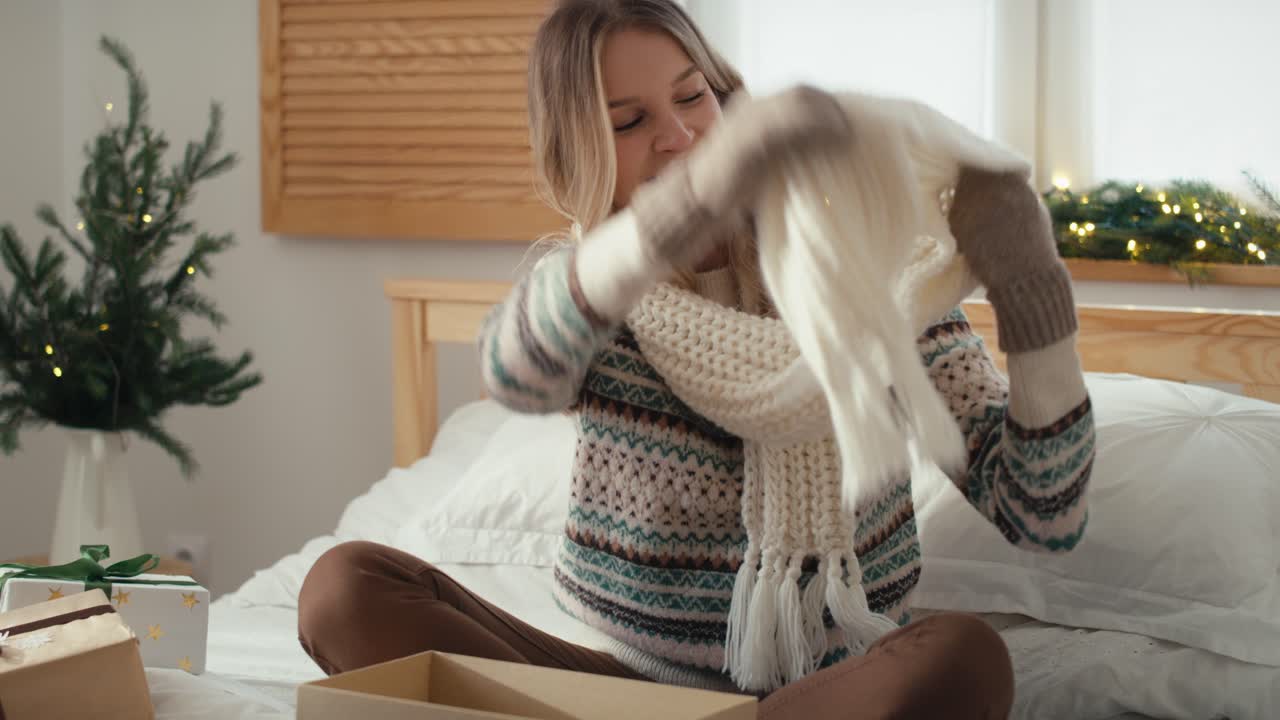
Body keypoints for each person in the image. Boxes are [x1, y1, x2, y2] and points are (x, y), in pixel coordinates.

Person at [297, 1, 1095, 717]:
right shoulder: (590, 291)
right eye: (628, 121)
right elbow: (516, 371)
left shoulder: (871, 270)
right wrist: (680, 210)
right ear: (579, 153)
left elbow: (1041, 512)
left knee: (962, 656)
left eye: (691, 97)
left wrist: (1033, 292)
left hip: (829, 691)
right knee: (344, 590)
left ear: (727, 98)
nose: (678, 136)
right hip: (618, 694)